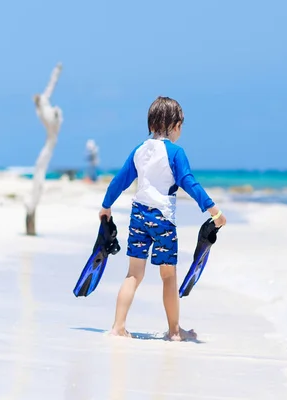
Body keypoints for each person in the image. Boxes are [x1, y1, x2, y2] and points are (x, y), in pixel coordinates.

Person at [98, 96, 226, 341]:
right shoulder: (176, 152)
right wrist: (214, 211)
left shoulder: (139, 150)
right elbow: (189, 182)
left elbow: (119, 181)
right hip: (163, 220)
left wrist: (106, 206)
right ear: (176, 125)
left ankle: (118, 326)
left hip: (138, 216)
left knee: (133, 274)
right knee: (168, 275)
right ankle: (175, 331)